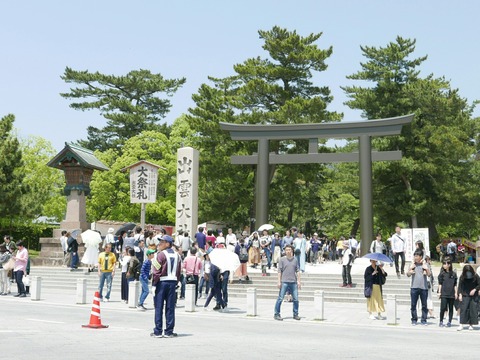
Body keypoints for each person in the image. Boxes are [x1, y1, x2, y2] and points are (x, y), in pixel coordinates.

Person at [151, 235, 181, 338]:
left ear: (168, 244)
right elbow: (178, 271)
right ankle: (169, 331)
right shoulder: (178, 255)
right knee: (170, 308)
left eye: (162, 242)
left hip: (161, 282)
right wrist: (177, 282)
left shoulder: (160, 255)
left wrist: (154, 284)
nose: (160, 244)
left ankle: (158, 331)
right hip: (172, 283)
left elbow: (156, 271)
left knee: (159, 307)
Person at [273, 245, 301, 321]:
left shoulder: (295, 260)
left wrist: (299, 281)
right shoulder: (282, 260)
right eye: (286, 250)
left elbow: (298, 271)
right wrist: (279, 281)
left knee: (296, 299)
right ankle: (276, 314)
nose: (288, 251)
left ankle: (295, 314)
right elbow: (279, 271)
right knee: (280, 298)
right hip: (284, 281)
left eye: (289, 250)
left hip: (293, 281)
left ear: (292, 251)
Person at [407, 250, 431, 325]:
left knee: (424, 305)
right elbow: (407, 274)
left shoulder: (425, 264)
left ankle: (424, 320)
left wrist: (426, 268)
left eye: (417, 256)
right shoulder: (412, 264)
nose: (415, 257)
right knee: (413, 304)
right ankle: (414, 319)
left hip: (424, 287)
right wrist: (410, 271)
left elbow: (429, 274)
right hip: (414, 287)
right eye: (415, 256)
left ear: (421, 257)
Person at [456, 264, 480, 331]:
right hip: (465, 294)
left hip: (473, 295)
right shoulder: (462, 277)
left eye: (469, 272)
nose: (468, 274)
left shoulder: (475, 276)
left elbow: (479, 284)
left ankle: (471, 324)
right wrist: (460, 294)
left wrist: (475, 289)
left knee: (473, 310)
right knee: (463, 309)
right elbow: (460, 286)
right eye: (467, 272)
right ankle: (461, 324)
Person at [437, 257, 457, 327]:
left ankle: (449, 321)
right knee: (443, 307)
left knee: (451, 308)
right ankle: (441, 321)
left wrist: (456, 292)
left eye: (446, 264)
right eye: (444, 264)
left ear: (449, 265)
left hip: (451, 293)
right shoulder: (442, 274)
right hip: (444, 293)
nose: (444, 265)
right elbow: (440, 284)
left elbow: (455, 284)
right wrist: (439, 292)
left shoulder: (453, 274)